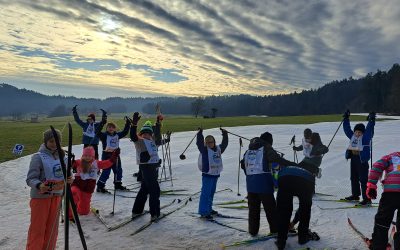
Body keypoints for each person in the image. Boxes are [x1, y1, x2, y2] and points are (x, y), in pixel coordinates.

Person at [26, 129, 72, 250]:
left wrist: (70, 179)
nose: (54, 144)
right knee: (38, 228)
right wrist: (39, 185)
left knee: (52, 229)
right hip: (41, 198)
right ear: (45, 141)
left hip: (57, 196)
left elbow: (68, 174)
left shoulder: (63, 157)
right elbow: (30, 178)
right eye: (51, 141)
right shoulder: (38, 157)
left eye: (57, 141)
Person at [288, 132, 329, 232]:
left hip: (311, 167)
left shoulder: (318, 145)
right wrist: (297, 148)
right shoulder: (308, 144)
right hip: (304, 164)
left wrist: (318, 152)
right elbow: (302, 146)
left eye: (310, 139)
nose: (308, 140)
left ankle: (292, 223)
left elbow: (325, 149)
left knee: (307, 187)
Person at [130, 112, 165, 221]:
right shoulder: (140, 141)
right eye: (144, 133)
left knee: (144, 189)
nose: (146, 135)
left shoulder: (153, 141)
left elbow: (158, 136)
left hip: (153, 168)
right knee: (154, 190)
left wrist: (158, 123)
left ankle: (136, 211)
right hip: (146, 168)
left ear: (151, 134)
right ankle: (155, 214)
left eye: (148, 133)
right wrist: (134, 124)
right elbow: (133, 136)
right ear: (141, 134)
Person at [241, 137, 278, 236]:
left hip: (251, 187)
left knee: (253, 211)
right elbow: (275, 168)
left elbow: (244, 166)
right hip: (265, 186)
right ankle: (275, 230)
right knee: (271, 211)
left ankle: (253, 231)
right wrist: (276, 184)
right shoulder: (267, 151)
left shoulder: (247, 152)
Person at [70, 146, 119, 216]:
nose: (87, 157)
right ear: (83, 155)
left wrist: (114, 156)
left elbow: (107, 163)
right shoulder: (79, 162)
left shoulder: (96, 163)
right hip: (78, 184)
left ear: (93, 156)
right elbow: (71, 164)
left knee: (84, 212)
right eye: (85, 155)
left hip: (88, 187)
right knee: (74, 193)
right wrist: (71, 160)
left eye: (89, 156)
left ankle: (80, 207)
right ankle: (70, 209)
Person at [367, 151, 400, 250]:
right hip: (391, 193)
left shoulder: (390, 157)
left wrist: (372, 185)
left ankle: (378, 245)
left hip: (390, 194)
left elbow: (377, 166)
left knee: (382, 221)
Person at [342, 110, 376, 205]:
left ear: (363, 133)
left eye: (359, 132)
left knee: (363, 179)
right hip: (354, 159)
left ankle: (367, 199)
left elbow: (369, 129)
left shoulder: (365, 138)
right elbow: (347, 129)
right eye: (356, 132)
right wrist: (346, 119)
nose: (357, 134)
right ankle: (355, 195)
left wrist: (371, 120)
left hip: (362, 161)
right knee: (353, 178)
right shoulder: (352, 136)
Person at [197, 127, 228, 218]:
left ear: (214, 142)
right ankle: (203, 211)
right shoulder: (204, 150)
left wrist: (225, 134)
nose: (209, 144)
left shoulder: (218, 149)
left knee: (211, 193)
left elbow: (225, 144)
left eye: (211, 142)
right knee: (205, 194)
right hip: (207, 175)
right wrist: (200, 134)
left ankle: (209, 209)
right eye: (207, 142)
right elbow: (199, 143)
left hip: (215, 175)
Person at [96, 119, 130, 193]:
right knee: (106, 171)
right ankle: (100, 186)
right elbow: (97, 132)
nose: (111, 128)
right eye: (109, 127)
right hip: (106, 156)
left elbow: (125, 132)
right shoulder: (104, 136)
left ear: (115, 129)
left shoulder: (117, 135)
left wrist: (127, 124)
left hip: (116, 156)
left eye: (112, 127)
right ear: (107, 128)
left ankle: (117, 184)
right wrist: (102, 123)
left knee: (118, 170)